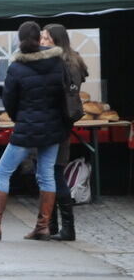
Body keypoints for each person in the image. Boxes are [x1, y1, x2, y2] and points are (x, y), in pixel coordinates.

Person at [0, 21, 66, 242]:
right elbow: (63, 96)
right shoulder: (58, 63)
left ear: (21, 40)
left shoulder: (17, 66)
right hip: (53, 127)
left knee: (1, 172)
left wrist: (19, 117)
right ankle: (43, 226)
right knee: (47, 174)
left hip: (27, 126)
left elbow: (9, 100)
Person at [42, 23, 88, 241]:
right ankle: (50, 225)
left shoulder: (63, 64)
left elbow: (57, 97)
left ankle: (67, 228)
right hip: (57, 124)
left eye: (45, 38)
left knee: (54, 174)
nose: (41, 42)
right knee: (48, 174)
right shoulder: (68, 61)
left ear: (56, 41)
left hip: (55, 124)